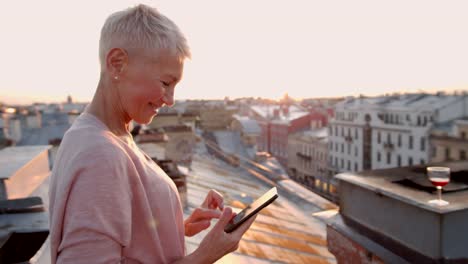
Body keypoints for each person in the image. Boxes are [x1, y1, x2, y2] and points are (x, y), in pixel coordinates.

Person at [48, 4, 256, 263]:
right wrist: (204, 256)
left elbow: (126, 235)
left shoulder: (109, 136)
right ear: (117, 63)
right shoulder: (100, 153)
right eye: (166, 83)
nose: (170, 100)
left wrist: (179, 225)